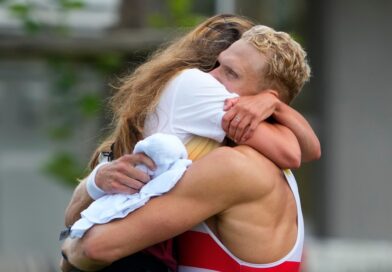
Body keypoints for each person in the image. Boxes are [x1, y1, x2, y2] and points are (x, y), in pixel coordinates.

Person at [60, 22, 319, 272]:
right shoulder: (270, 173)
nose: (208, 77)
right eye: (216, 64)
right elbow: (309, 151)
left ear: (258, 99)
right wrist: (93, 184)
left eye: (231, 73)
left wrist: (68, 250)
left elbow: (94, 248)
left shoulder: (233, 167)